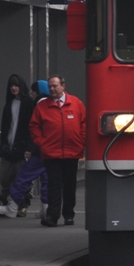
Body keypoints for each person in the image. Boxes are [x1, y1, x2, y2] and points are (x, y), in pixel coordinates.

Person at [29, 75, 85, 227]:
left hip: (72, 152)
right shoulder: (42, 106)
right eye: (50, 86)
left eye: (55, 86)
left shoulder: (76, 103)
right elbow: (34, 127)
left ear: (63, 85)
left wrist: (80, 142)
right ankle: (52, 216)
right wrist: (42, 143)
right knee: (54, 185)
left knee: (69, 185)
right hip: (51, 153)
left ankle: (69, 215)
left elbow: (84, 123)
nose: (52, 89)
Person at [0, 81, 50, 220]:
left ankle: (12, 207)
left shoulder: (39, 106)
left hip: (39, 151)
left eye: (33, 91)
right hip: (52, 151)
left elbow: (35, 130)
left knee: (22, 177)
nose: (32, 94)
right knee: (46, 180)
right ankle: (46, 208)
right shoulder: (52, 105)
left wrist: (31, 149)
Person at [0, 74, 35, 216]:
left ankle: (21, 205)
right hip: (9, 146)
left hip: (22, 146)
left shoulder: (28, 103)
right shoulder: (9, 104)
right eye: (11, 85)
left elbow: (31, 126)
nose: (13, 88)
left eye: (16, 85)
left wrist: (29, 146)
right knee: (4, 176)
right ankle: (8, 202)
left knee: (20, 177)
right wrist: (3, 144)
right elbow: (6, 125)